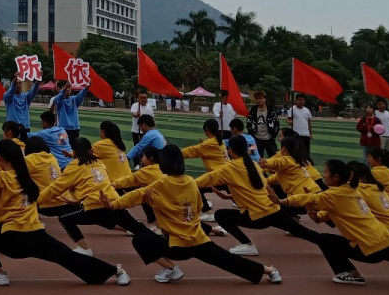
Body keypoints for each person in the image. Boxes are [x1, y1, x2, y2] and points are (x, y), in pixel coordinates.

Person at [0, 139, 128, 287]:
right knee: (68, 257)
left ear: (0, 159)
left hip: (12, 240)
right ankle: (115, 271)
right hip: (36, 235)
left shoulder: (0, 177)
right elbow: (15, 202)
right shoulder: (25, 178)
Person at [271, 159, 389, 287]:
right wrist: (312, 208)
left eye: (326, 173)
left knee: (325, 240)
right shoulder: (350, 190)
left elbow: (307, 200)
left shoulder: (334, 194)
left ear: (336, 177)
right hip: (383, 237)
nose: (323, 176)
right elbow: (318, 215)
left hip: (369, 247)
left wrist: (281, 201)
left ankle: (349, 274)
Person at [105, 144, 281, 285]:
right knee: (229, 260)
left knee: (140, 240)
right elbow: (197, 209)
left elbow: (135, 196)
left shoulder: (158, 186)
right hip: (198, 239)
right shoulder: (190, 181)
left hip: (176, 246)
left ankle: (171, 269)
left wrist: (113, 205)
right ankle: (270, 271)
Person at [195, 135, 323, 255]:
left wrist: (187, 183)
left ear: (230, 150)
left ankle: (247, 244)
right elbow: (254, 190)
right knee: (307, 234)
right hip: (274, 210)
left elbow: (207, 179)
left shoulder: (229, 168)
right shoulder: (253, 165)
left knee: (220, 215)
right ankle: (335, 244)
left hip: (257, 217)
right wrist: (228, 197)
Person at [38, 138, 151, 254]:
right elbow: (94, 185)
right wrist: (78, 201)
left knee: (64, 217)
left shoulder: (74, 166)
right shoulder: (100, 163)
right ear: (91, 150)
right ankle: (163, 243)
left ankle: (85, 248)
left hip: (94, 206)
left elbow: (55, 188)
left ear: (75, 152)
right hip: (113, 202)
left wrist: (36, 200)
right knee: (136, 227)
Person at [182, 118, 228, 219]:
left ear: (206, 129)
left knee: (194, 186)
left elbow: (192, 151)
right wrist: (204, 145)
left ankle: (209, 213)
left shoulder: (208, 144)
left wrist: (174, 154)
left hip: (219, 177)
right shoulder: (219, 141)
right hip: (227, 175)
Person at [49, 81, 90, 146]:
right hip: (63, 129)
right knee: (62, 147)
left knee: (75, 148)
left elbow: (81, 94)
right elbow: (59, 98)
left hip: (75, 129)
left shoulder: (74, 99)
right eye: (65, 88)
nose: (67, 89)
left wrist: (87, 87)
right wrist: (65, 88)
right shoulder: (58, 100)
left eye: (69, 88)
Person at [247, 90, 280, 158]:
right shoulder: (253, 110)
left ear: (265, 99)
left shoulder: (271, 109)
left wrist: (273, 135)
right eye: (257, 98)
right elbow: (249, 122)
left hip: (269, 137)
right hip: (256, 138)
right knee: (253, 156)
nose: (259, 100)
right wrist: (251, 134)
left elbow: (277, 123)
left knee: (275, 157)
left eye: (260, 98)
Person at [288, 94, 314, 159]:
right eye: (299, 100)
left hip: (305, 134)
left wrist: (310, 133)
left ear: (304, 101)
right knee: (296, 152)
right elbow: (288, 119)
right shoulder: (292, 109)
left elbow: (309, 123)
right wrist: (290, 122)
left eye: (302, 100)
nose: (300, 101)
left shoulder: (307, 110)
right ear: (296, 101)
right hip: (296, 134)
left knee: (306, 152)